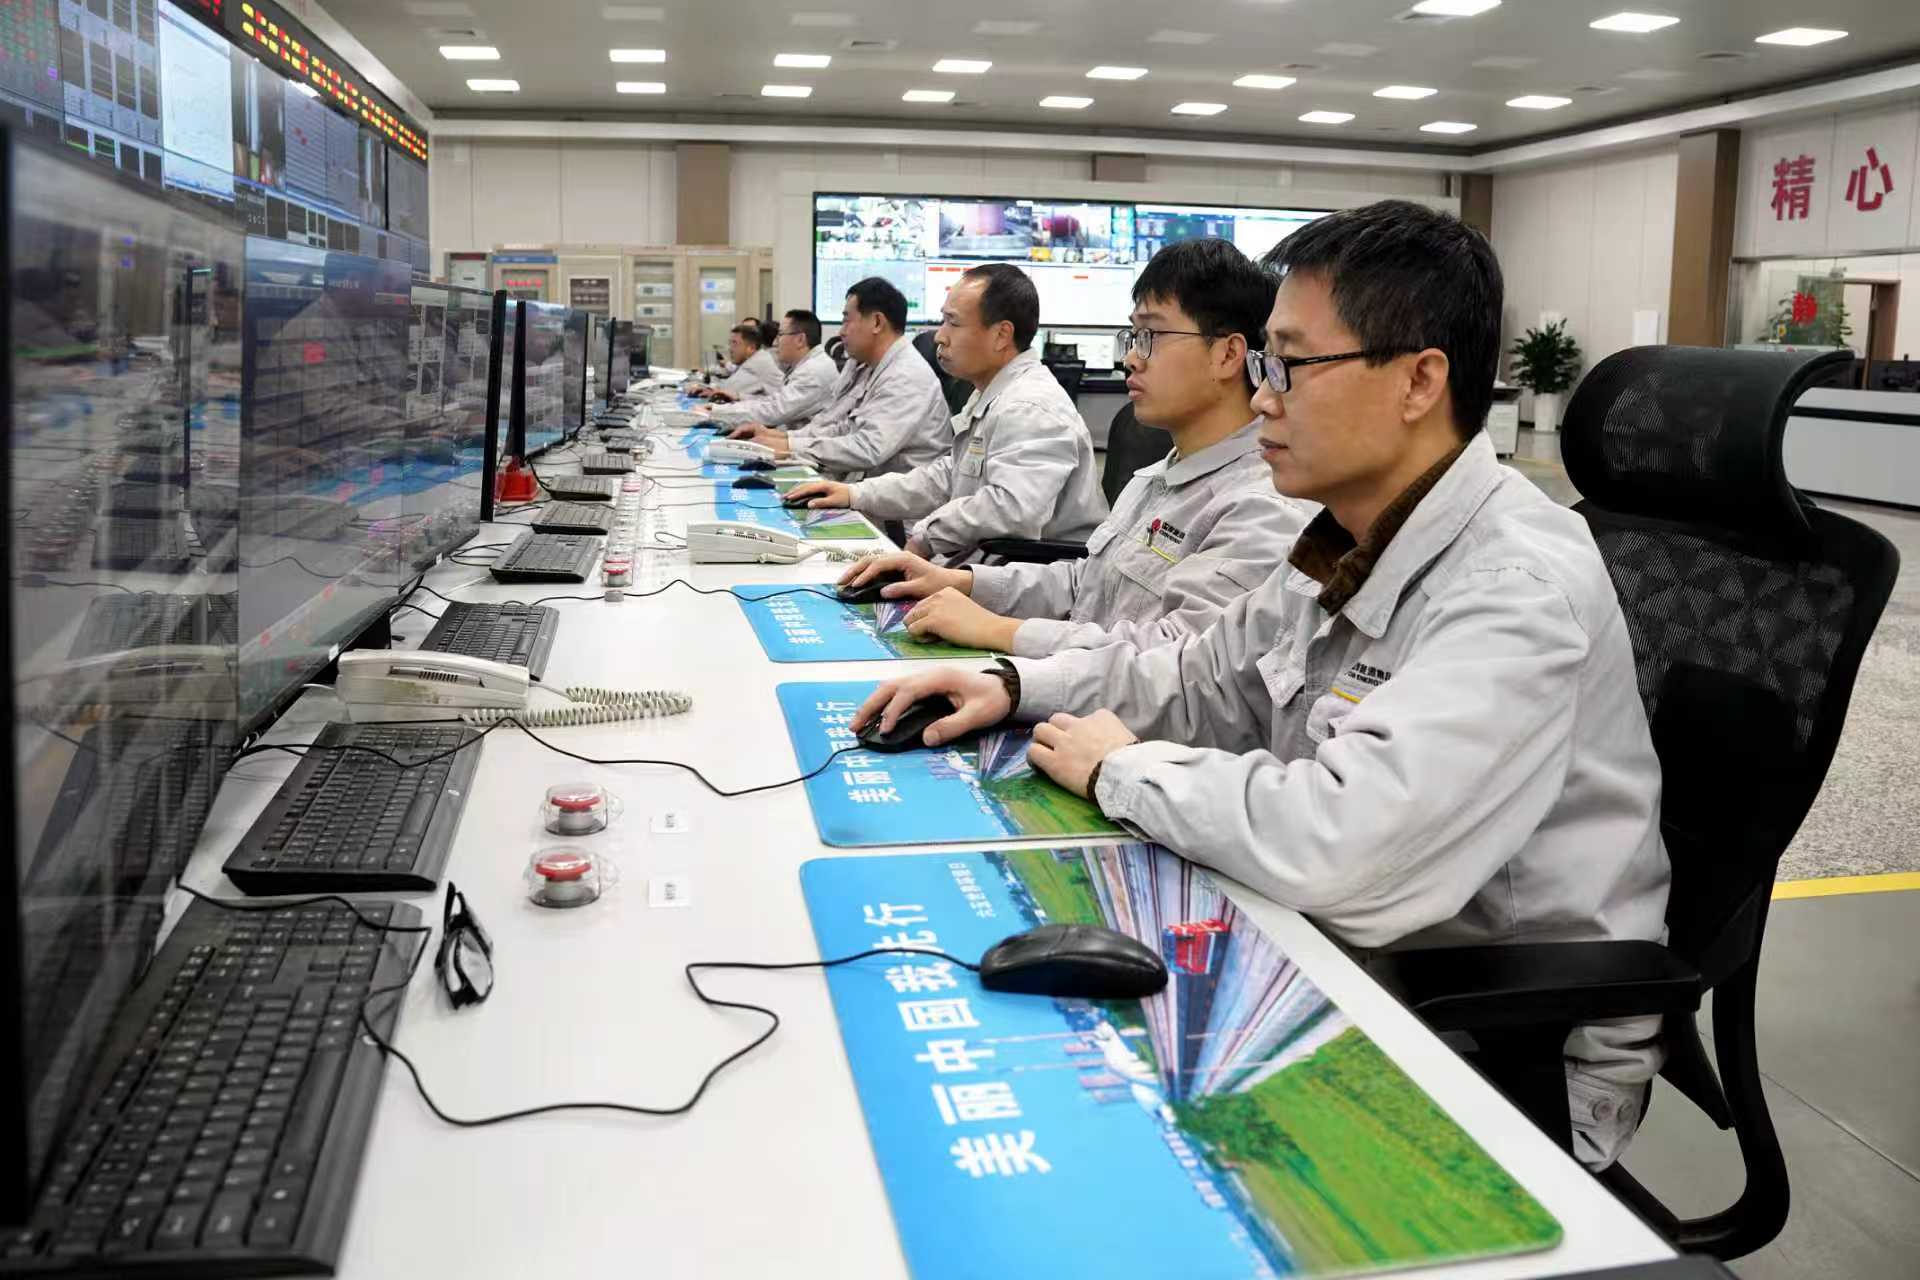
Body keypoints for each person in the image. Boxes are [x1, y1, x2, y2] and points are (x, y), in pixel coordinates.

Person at [853, 201, 1671, 1170]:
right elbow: (1196, 672)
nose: (1263, 396)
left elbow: (1347, 846)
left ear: (1419, 381)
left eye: (1290, 364)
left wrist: (1121, 768)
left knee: (1068, 1126)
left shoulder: (1516, 586)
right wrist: (1015, 681)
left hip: (1488, 1035)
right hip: (1335, 945)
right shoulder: (1344, 535)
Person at [836, 238, 1312, 655]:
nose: (1131, 357)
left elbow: (1178, 663)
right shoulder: (1157, 478)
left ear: (1227, 354)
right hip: (1072, 671)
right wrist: (962, 582)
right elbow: (1087, 584)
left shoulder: (1261, 507)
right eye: (1132, 336)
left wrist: (1003, 631)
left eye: (1150, 336)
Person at [786, 264, 1106, 561]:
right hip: (983, 562)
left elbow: (1011, 510)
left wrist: (927, 535)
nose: (939, 336)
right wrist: (855, 494)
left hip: (1029, 580)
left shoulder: (1030, 407)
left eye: (953, 322)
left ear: (1001, 335)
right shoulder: (993, 393)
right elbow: (947, 476)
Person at [729, 278, 950, 478]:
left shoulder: (906, 375)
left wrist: (788, 447)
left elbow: (867, 448)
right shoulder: (866, 366)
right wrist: (783, 440)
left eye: (846, 320)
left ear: (876, 322)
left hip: (892, 505)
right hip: (861, 486)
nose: (841, 332)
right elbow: (841, 426)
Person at [709, 309, 838, 430]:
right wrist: (722, 409)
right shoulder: (807, 365)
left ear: (800, 340)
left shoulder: (813, 371)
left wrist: (715, 413)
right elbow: (773, 402)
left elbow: (773, 412)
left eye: (780, 334)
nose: (775, 342)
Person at [694, 321, 781, 400]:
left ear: (751, 348)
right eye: (730, 343)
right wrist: (710, 389)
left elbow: (730, 389)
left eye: (734, 343)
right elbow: (729, 387)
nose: (730, 349)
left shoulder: (758, 364)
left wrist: (709, 389)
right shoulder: (752, 360)